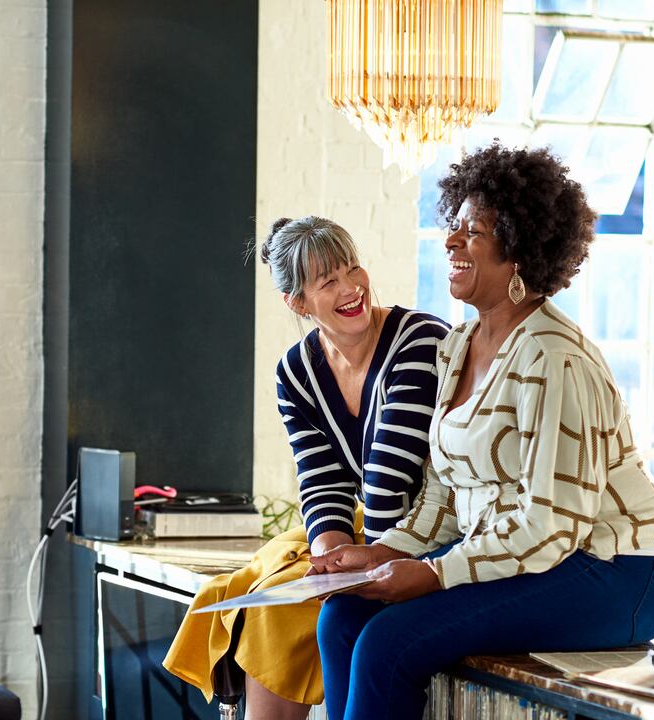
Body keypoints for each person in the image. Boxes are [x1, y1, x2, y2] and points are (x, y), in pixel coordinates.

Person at [309, 144, 654, 720]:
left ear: (517, 248)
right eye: (452, 226)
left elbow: (549, 527)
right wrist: (379, 552)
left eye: (472, 231)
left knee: (389, 643)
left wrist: (433, 573)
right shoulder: (458, 347)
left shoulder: (553, 357)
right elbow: (446, 496)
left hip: (614, 569)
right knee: (342, 617)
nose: (451, 241)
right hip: (539, 554)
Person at [163, 216, 449, 719]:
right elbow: (320, 481)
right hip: (373, 538)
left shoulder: (418, 339)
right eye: (329, 281)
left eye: (353, 269)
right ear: (298, 302)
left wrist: (364, 567)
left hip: (435, 534)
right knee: (272, 605)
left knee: (330, 613)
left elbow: (391, 471)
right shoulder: (295, 371)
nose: (352, 288)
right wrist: (331, 557)